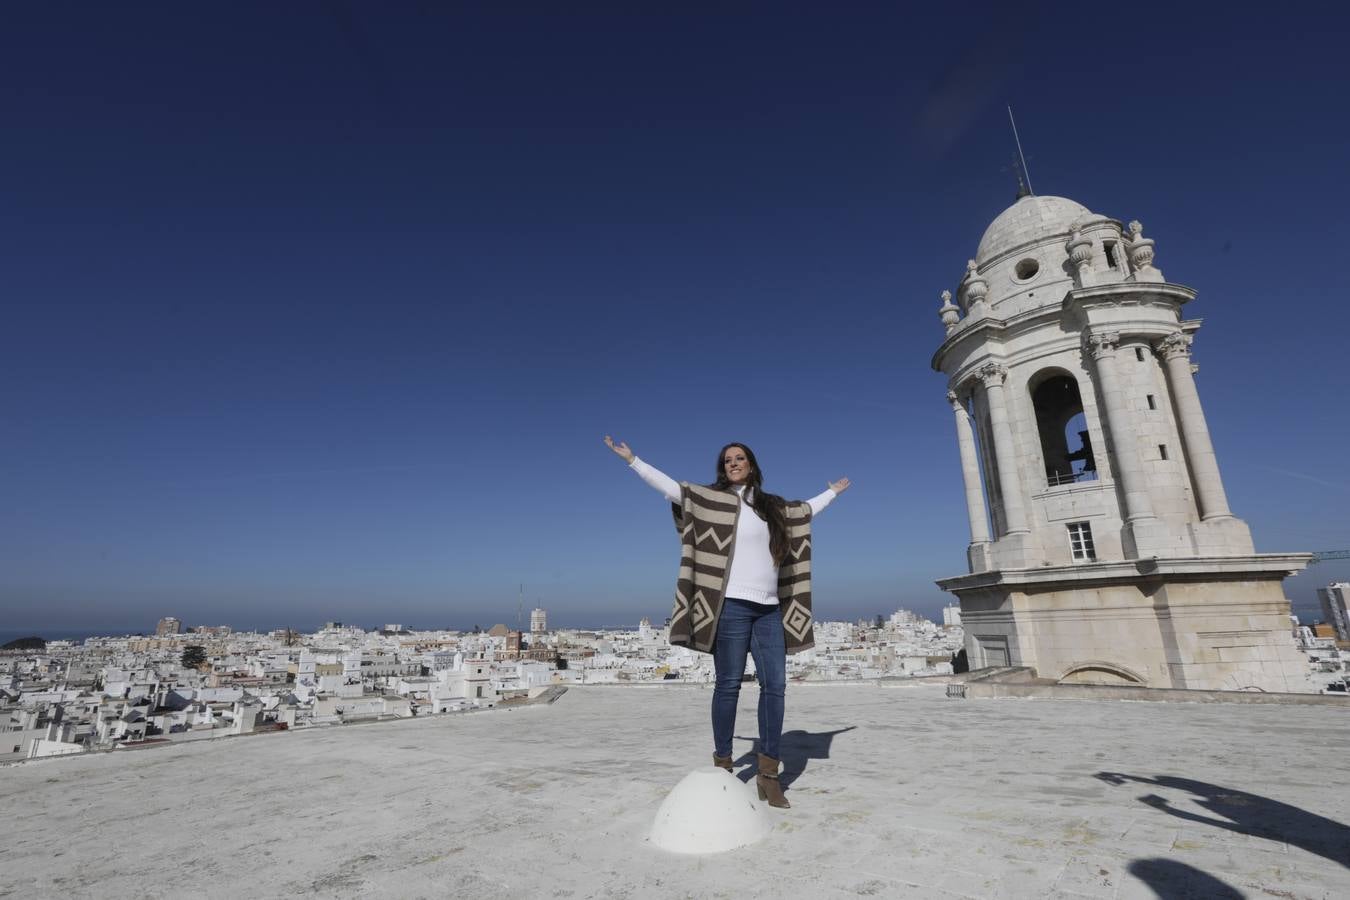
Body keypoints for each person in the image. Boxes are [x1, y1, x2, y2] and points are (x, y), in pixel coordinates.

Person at [603, 435, 850, 808]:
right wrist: (633, 460)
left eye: (739, 458)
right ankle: (722, 766)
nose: (733, 463)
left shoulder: (772, 508)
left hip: (770, 609)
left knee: (776, 687)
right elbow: (675, 490)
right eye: (727, 460)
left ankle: (768, 774)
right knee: (729, 685)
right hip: (730, 606)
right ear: (723, 468)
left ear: (751, 464)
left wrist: (831, 493)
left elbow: (805, 511)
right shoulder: (712, 500)